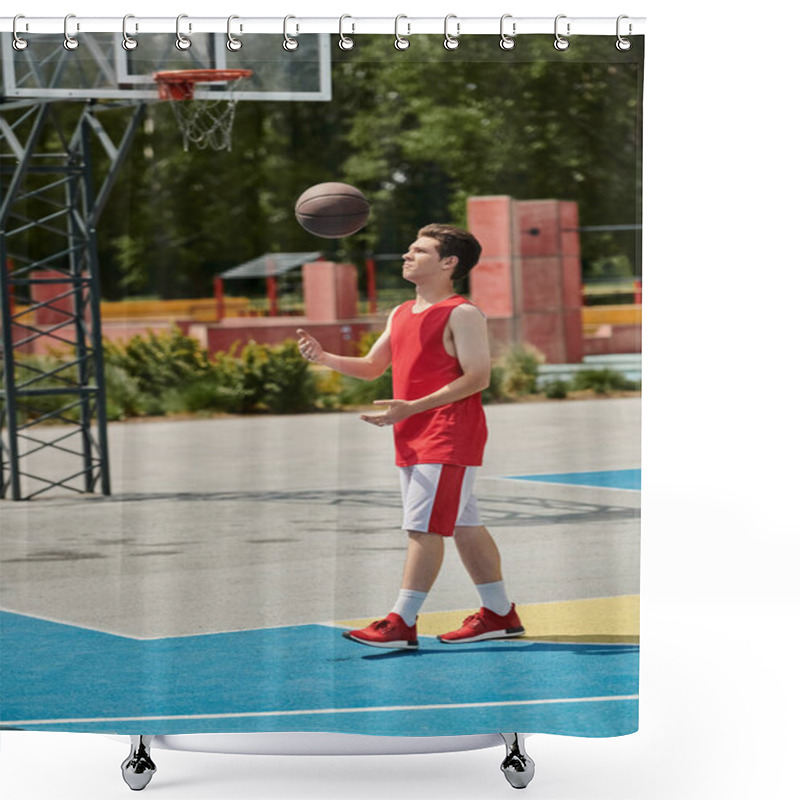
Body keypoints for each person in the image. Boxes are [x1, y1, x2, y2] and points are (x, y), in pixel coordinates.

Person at [297, 224, 524, 650]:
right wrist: (324, 357)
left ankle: (401, 620)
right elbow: (371, 366)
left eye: (419, 250)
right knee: (463, 523)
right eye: (408, 249)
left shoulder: (462, 313)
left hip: (447, 435)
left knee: (422, 528)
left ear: (448, 262)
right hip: (412, 433)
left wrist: (412, 408)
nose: (406, 255)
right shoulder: (401, 313)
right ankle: (498, 613)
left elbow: (478, 378)